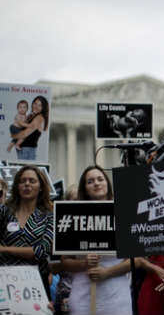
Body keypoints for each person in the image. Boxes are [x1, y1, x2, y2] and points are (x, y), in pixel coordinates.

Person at [59, 166, 132, 314]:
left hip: (116, 294)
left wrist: (107, 272)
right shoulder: (72, 216)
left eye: (100, 179)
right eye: (90, 181)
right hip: (82, 294)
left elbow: (135, 260)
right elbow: (64, 261)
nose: (96, 183)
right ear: (84, 188)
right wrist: (84, 263)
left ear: (107, 183)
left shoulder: (124, 212)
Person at [0, 166, 53, 296]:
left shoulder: (49, 216)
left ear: (40, 187)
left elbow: (41, 251)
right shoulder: (4, 211)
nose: (27, 184)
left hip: (37, 283)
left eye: (32, 181)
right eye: (22, 181)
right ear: (17, 186)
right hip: (5, 281)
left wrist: (4, 249)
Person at [10, 95, 49, 160]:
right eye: (35, 103)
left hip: (28, 150)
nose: (36, 106)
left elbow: (25, 133)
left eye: (40, 105)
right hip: (24, 149)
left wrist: (14, 136)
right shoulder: (32, 115)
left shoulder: (39, 117)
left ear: (43, 108)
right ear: (32, 103)